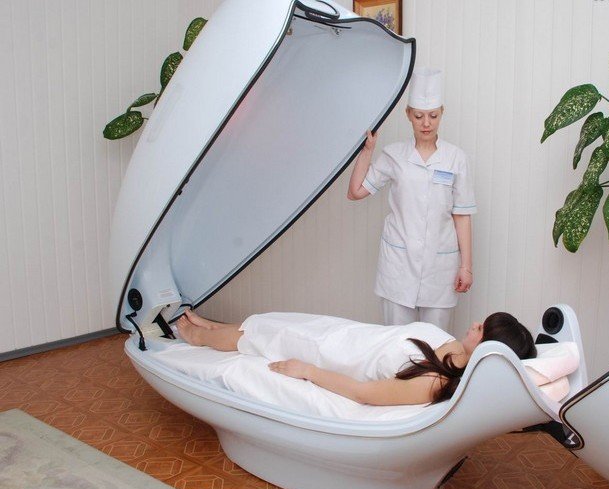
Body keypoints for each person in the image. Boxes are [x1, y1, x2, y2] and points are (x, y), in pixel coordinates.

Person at [176, 309, 535, 406]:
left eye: (482, 329)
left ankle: (198, 336)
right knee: (274, 321)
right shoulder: (456, 351)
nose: (475, 324)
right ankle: (213, 327)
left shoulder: (433, 382)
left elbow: (364, 394)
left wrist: (307, 370)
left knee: (265, 337)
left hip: (336, 354)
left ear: (486, 350)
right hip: (349, 333)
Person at [346, 68, 476, 332]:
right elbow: (356, 192)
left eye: (433, 116)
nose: (426, 123)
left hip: (440, 268)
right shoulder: (394, 155)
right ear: (408, 115)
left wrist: (466, 266)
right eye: (419, 116)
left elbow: (461, 215)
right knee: (397, 343)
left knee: (435, 344)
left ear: (442, 113)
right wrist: (368, 151)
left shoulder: (456, 158)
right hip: (398, 268)